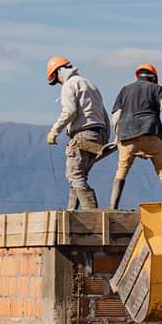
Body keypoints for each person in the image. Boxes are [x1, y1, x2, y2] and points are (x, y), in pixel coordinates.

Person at [45, 55, 112, 211]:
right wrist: (105, 140)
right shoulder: (90, 84)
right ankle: (71, 213)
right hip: (99, 137)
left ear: (58, 73)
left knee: (74, 175)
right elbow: (104, 115)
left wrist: (54, 131)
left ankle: (92, 213)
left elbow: (70, 111)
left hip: (82, 135)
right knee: (79, 176)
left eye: (56, 80)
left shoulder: (69, 85)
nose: (59, 83)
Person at [108, 61, 162, 208]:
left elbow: (116, 116)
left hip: (127, 137)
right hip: (151, 133)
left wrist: (117, 137)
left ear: (138, 76)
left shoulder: (125, 90)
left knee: (121, 171)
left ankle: (112, 207)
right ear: (153, 77)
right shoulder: (157, 89)